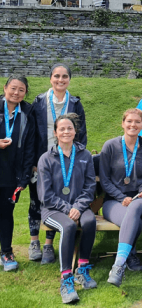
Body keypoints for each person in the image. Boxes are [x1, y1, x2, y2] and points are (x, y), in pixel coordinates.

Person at [30, 63, 87, 264]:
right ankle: (34, 241)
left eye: (64, 76)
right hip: (42, 160)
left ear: (69, 79)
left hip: (67, 160)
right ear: (50, 78)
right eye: (56, 76)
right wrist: (34, 161)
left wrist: (77, 159)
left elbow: (81, 134)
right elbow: (32, 134)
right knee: (37, 200)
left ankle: (48, 244)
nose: (60, 80)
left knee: (61, 197)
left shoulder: (75, 103)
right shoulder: (38, 102)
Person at [37, 114, 96, 304]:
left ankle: (82, 269)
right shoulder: (46, 158)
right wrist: (67, 208)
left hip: (79, 206)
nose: (66, 132)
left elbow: (90, 187)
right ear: (55, 132)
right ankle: (66, 279)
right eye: (61, 129)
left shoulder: (85, 155)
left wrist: (78, 207)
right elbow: (45, 195)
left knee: (89, 221)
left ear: (75, 131)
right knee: (69, 226)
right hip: (53, 209)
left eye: (69, 128)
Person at [99, 108, 142, 287]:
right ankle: (128, 255)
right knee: (132, 220)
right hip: (113, 200)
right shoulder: (110, 145)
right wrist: (120, 196)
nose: (133, 125)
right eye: (129, 121)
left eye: (137, 122)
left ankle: (118, 264)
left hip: (139, 199)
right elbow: (105, 180)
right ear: (122, 123)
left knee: (136, 208)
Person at [0, 75, 35, 272]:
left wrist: (25, 175)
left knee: (6, 213)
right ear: (5, 88)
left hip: (12, 173)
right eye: (13, 88)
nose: (16, 93)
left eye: (21, 90)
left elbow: (29, 146)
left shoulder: (28, 112)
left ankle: (6, 252)